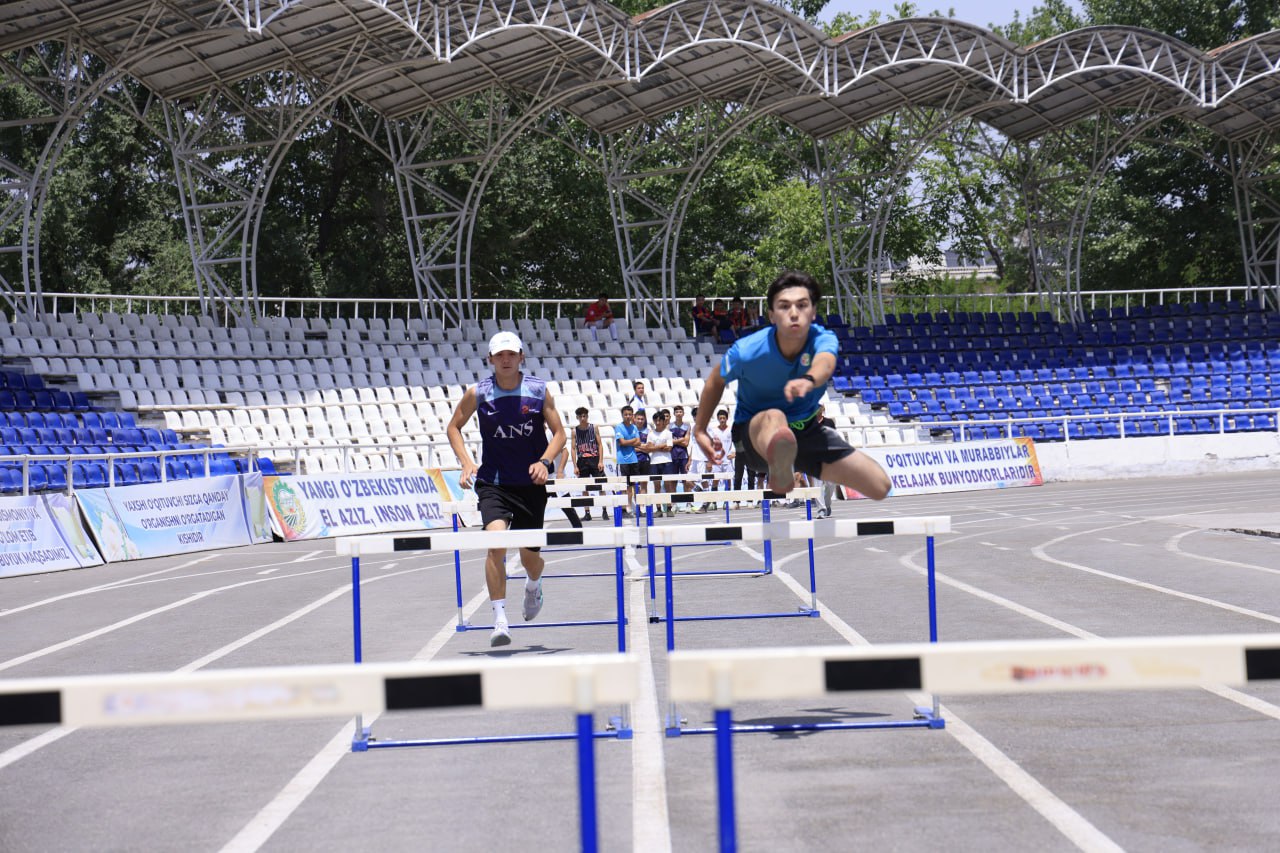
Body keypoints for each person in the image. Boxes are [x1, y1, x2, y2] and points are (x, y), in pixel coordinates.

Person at [693, 270, 892, 503]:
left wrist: (809, 379)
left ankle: (797, 460)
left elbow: (825, 363)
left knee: (879, 485)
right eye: (784, 306)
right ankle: (779, 465)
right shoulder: (748, 350)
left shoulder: (822, 339)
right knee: (775, 415)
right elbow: (716, 380)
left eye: (802, 305)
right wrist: (700, 429)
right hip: (756, 438)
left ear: (813, 312)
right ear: (771, 315)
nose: (794, 313)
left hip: (806, 434)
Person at [447, 331, 567, 647]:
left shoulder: (538, 391)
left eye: (511, 354)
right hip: (494, 483)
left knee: (530, 558)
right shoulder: (479, 393)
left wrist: (545, 461)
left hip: (530, 484)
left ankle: (533, 584)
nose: (505, 360)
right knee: (496, 543)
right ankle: (500, 619)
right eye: (499, 355)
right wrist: (466, 462)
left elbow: (559, 434)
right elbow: (453, 427)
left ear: (521, 357)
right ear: (490, 359)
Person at [569, 407, 604, 521]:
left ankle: (604, 510)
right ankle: (587, 512)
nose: (583, 418)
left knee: (601, 485)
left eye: (584, 416)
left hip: (594, 458)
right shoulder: (574, 431)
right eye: (580, 416)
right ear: (577, 417)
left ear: (587, 416)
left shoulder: (594, 428)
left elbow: (600, 445)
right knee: (584, 487)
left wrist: (601, 461)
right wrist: (575, 466)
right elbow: (573, 448)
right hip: (582, 461)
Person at [646, 409, 676, 517]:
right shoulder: (651, 434)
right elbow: (649, 448)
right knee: (657, 485)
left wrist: (655, 447)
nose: (658, 422)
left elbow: (669, 448)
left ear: (664, 421)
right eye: (656, 420)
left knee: (668, 485)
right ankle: (658, 509)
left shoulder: (668, 433)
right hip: (654, 462)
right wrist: (661, 446)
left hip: (666, 461)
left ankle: (669, 508)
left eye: (660, 420)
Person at [705, 408, 734, 510]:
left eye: (724, 418)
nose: (722, 420)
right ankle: (714, 503)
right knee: (715, 480)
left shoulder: (731, 430)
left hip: (727, 460)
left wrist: (734, 453)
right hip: (716, 460)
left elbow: (736, 442)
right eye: (720, 418)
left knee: (728, 480)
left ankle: (727, 502)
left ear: (727, 418)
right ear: (717, 419)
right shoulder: (714, 431)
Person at [614, 405, 640, 517]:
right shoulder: (619, 427)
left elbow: (638, 442)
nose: (628, 416)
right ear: (622, 415)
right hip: (623, 461)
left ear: (632, 415)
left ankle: (637, 509)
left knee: (635, 486)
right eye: (626, 414)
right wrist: (633, 440)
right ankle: (624, 510)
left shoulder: (634, 427)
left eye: (630, 414)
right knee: (624, 487)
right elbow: (622, 442)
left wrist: (628, 441)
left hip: (634, 460)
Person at [669, 404, 692, 512]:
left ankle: (688, 503)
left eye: (680, 412)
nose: (678, 413)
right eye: (677, 412)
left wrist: (675, 441)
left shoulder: (687, 426)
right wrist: (681, 440)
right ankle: (674, 504)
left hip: (683, 456)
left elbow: (686, 443)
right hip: (672, 456)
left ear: (683, 413)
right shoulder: (669, 426)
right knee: (673, 481)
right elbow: (669, 442)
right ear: (674, 414)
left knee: (686, 481)